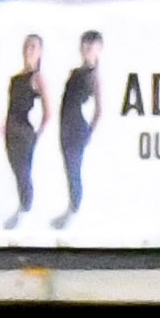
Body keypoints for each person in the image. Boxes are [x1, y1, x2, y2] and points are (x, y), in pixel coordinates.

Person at [55, 29, 106, 228]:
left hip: (77, 127)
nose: (86, 48)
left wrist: (89, 132)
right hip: (66, 125)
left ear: (98, 49)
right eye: (84, 43)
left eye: (91, 45)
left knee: (75, 169)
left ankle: (75, 210)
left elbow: (100, 108)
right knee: (69, 168)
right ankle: (71, 207)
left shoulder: (94, 75)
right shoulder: (76, 72)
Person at [0, 31, 48, 230]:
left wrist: (37, 135)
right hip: (11, 130)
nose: (30, 50)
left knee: (24, 172)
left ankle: (27, 211)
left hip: (25, 132)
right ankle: (22, 207)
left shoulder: (37, 77)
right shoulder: (16, 78)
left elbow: (48, 111)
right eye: (27, 45)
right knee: (17, 172)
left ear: (40, 52)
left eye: (34, 46)